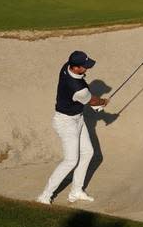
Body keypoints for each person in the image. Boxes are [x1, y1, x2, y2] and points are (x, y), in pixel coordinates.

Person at [36, 51, 106, 205]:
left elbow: (86, 99)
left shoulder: (65, 67)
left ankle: (76, 191)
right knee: (71, 160)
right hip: (65, 123)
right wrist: (102, 101)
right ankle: (45, 196)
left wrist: (96, 103)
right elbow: (92, 101)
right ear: (75, 68)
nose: (86, 69)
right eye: (84, 67)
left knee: (88, 152)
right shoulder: (77, 87)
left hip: (77, 118)